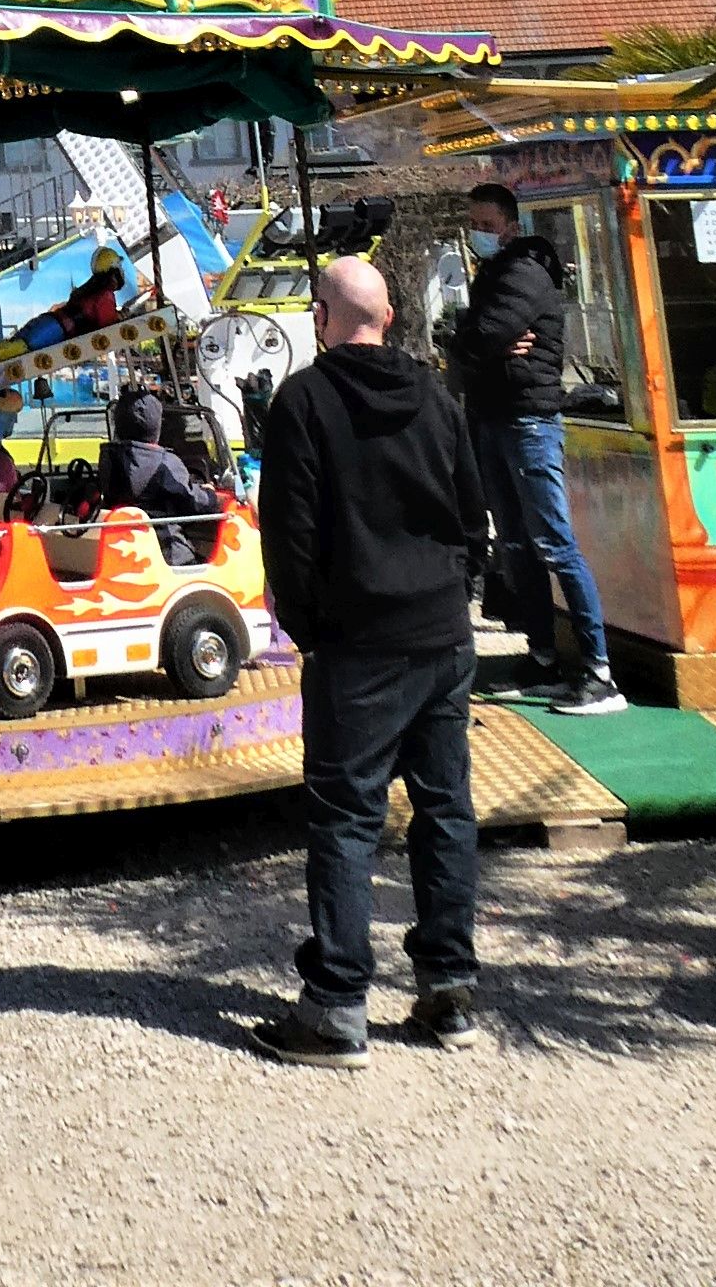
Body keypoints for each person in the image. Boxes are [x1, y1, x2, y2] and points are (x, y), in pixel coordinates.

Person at [251, 256, 490, 1064]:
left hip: (357, 640)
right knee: (445, 808)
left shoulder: (303, 402)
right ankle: (449, 990)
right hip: (441, 632)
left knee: (348, 819)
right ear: (388, 317)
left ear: (321, 317)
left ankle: (337, 1005)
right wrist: (458, 589)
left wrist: (310, 628)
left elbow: (288, 534)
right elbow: (472, 511)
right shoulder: (435, 397)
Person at [455, 181, 625, 714]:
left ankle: (599, 672)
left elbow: (476, 339)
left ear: (510, 225)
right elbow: (473, 340)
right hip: (497, 415)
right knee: (516, 544)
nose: (478, 234)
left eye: (486, 225)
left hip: (529, 420)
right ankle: (542, 655)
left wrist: (477, 344)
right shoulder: (494, 273)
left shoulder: (523, 271)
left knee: (554, 543)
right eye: (473, 225)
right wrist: (477, 345)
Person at [104, 392, 223, 560]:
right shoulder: (164, 462)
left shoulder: (109, 458)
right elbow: (192, 501)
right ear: (155, 425)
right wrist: (210, 494)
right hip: (166, 550)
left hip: (123, 549)